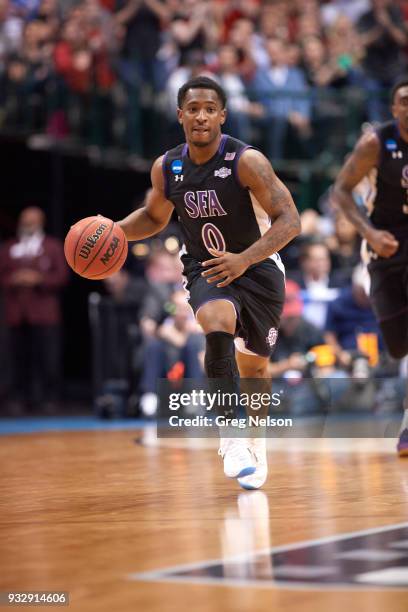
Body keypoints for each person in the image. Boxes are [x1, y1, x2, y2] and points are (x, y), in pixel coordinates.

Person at [117, 75, 300, 489]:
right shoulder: (168, 167)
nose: (201, 116)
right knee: (216, 322)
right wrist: (114, 231)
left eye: (209, 109)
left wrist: (243, 260)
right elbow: (153, 217)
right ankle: (230, 435)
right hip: (205, 267)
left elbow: (291, 220)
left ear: (222, 115)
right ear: (180, 115)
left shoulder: (246, 161)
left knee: (254, 365)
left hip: (258, 267)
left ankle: (256, 440)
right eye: (193, 109)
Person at [332, 77, 408, 456]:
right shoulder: (375, 142)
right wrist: (369, 233)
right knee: (397, 344)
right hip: (384, 243)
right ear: (394, 109)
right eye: (404, 102)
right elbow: (340, 191)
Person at [0, 206, 69, 413]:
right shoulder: (9, 247)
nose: (28, 224)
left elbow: (62, 277)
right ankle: (17, 398)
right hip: (16, 313)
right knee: (16, 358)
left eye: (32, 220)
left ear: (41, 222)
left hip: (44, 313)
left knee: (46, 358)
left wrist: (38, 279)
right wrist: (14, 279)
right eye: (25, 220)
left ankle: (48, 399)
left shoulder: (52, 246)